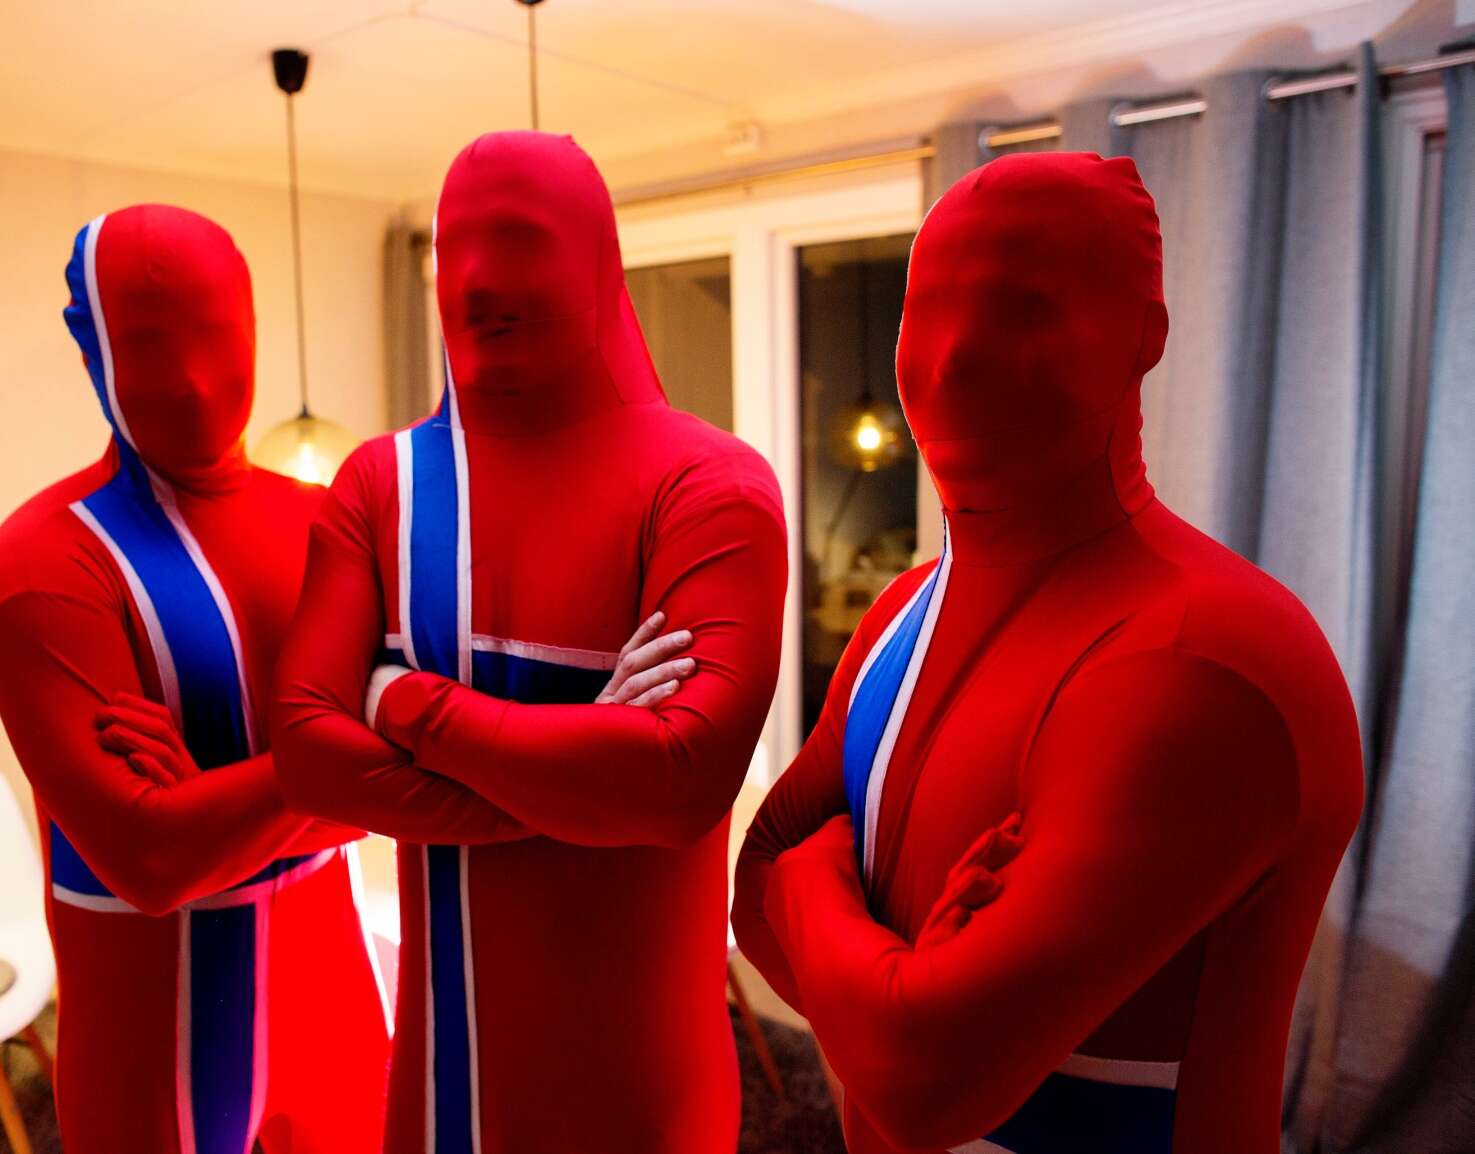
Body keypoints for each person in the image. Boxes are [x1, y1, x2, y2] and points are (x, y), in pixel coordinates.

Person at [731, 152, 1364, 1154]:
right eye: (925, 311)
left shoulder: (1206, 657)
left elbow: (923, 1077)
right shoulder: (903, 607)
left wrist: (815, 881)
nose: (952, 359)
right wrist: (891, 981)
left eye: (1019, 309)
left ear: (1144, 337)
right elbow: (752, 895)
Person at [270, 131, 789, 1154]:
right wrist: (575, 772)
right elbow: (304, 754)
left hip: (640, 1068)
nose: (475, 280)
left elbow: (680, 780)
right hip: (445, 1070)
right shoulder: (380, 482)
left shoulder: (710, 484)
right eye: (452, 249)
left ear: (591, 257)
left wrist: (400, 702)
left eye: (515, 240)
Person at [0, 204, 390, 1154]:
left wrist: (216, 799)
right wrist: (346, 750)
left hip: (327, 990)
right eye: (150, 343)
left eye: (214, 332)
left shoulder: (329, 518)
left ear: (254, 325)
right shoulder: (44, 562)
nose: (195, 379)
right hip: (151, 1025)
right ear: (91, 349)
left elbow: (415, 783)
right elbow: (149, 861)